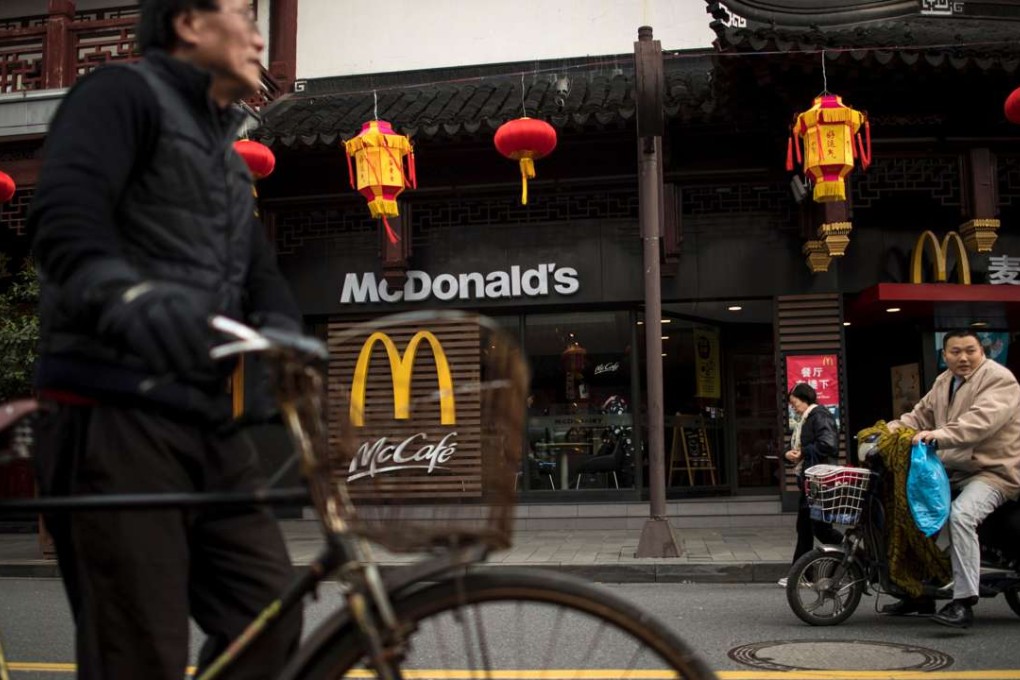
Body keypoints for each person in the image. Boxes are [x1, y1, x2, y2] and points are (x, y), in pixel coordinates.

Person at [28, 1, 303, 677]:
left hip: (207, 419)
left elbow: (260, 279)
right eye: (244, 12)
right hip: (113, 414)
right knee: (140, 655)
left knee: (271, 610)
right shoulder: (118, 95)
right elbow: (65, 221)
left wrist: (284, 337)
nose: (260, 34)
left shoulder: (228, 158)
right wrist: (131, 298)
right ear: (188, 22)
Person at [883, 330, 1020, 628]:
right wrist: (888, 431)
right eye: (955, 352)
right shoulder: (944, 381)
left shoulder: (1000, 379)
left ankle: (963, 601)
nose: (963, 357)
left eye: (970, 350)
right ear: (944, 355)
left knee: (961, 516)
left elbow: (980, 423)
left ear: (982, 351)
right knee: (912, 512)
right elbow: (919, 416)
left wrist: (938, 436)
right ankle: (919, 593)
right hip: (954, 470)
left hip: (993, 473)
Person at [778, 382, 843, 587]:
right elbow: (802, 448)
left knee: (820, 529)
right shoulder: (805, 420)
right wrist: (789, 455)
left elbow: (829, 444)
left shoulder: (819, 416)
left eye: (795, 403)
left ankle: (855, 555)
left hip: (820, 481)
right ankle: (802, 575)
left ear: (805, 400)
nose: (793, 407)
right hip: (810, 482)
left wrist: (804, 452)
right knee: (805, 527)